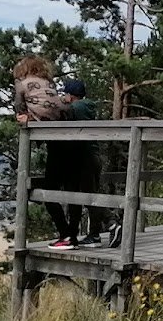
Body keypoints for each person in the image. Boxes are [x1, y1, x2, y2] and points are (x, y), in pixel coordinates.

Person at [12, 55, 100, 248]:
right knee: (72, 189)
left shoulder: (21, 83)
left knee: (47, 191)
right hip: (71, 139)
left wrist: (25, 119)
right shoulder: (49, 83)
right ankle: (72, 236)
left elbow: (19, 110)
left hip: (56, 142)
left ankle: (66, 235)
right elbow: (56, 107)